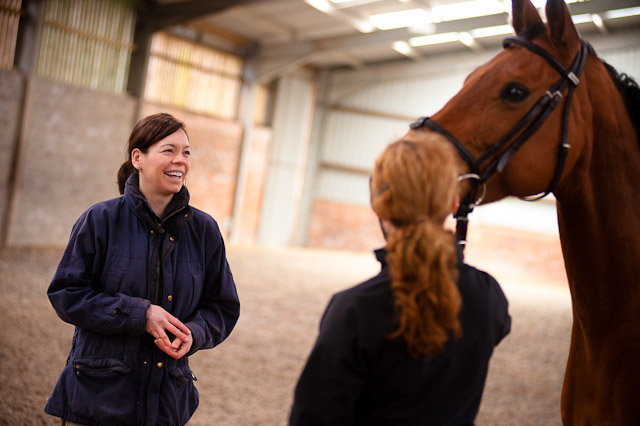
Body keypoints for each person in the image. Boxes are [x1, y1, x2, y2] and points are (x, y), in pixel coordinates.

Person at [289, 135, 511, 426]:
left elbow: (314, 417)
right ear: (454, 204)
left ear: (379, 206)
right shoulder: (489, 297)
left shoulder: (354, 310)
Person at [44, 113, 240, 426]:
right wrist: (141, 314)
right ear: (138, 158)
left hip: (167, 405)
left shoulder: (205, 230)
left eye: (186, 152)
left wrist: (195, 333)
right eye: (169, 150)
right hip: (98, 399)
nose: (180, 160)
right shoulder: (100, 220)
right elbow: (67, 294)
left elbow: (222, 306)